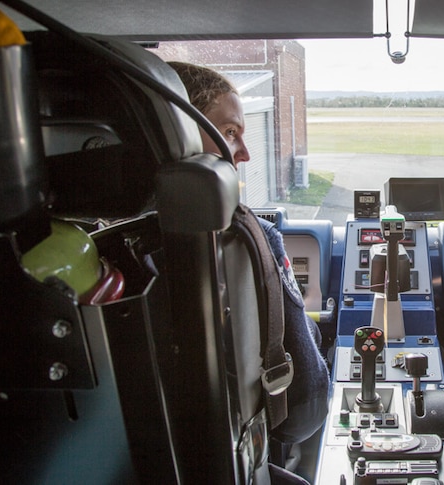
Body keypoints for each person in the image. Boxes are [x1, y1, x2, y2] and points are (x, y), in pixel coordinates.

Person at [168, 61, 329, 451]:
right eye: (229, 133)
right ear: (179, 136)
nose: (244, 153)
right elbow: (306, 402)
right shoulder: (249, 240)